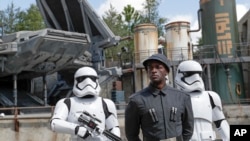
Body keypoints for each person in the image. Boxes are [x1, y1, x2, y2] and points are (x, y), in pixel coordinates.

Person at [125, 54, 194, 141]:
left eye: (158, 67)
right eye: (150, 68)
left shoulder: (182, 97)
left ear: (166, 71)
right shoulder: (136, 100)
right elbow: (131, 135)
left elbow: (188, 129)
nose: (153, 70)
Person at [50, 66, 121, 141]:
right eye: (82, 79)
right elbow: (54, 123)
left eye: (92, 78)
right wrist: (76, 129)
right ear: (76, 81)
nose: (88, 82)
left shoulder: (106, 103)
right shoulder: (67, 103)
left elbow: (114, 128)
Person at [175, 60, 229, 141]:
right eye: (189, 74)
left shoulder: (210, 96)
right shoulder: (174, 98)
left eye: (198, 74)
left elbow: (221, 122)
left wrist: (227, 138)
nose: (196, 78)